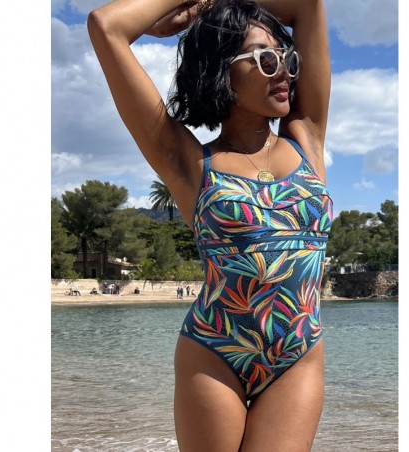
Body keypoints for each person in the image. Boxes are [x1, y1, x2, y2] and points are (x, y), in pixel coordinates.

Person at [88, 0, 332, 450]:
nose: (283, 70)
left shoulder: (306, 136)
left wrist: (218, 3)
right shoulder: (187, 162)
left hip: (297, 355)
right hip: (215, 352)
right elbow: (107, 26)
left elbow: (307, 5)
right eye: (265, 58)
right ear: (221, 69)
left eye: (286, 57)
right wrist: (193, 11)